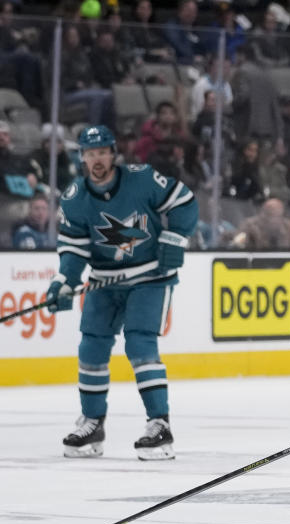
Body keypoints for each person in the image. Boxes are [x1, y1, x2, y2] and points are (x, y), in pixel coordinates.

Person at [46, 125, 198, 460]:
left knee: (140, 342)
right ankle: (92, 424)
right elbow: (73, 249)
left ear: (113, 153)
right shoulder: (74, 198)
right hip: (105, 280)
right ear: (82, 157)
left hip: (150, 277)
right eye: (90, 153)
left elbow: (185, 202)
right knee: (91, 345)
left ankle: (160, 425)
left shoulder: (141, 178)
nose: (97, 159)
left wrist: (175, 238)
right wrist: (64, 280)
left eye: (102, 152)